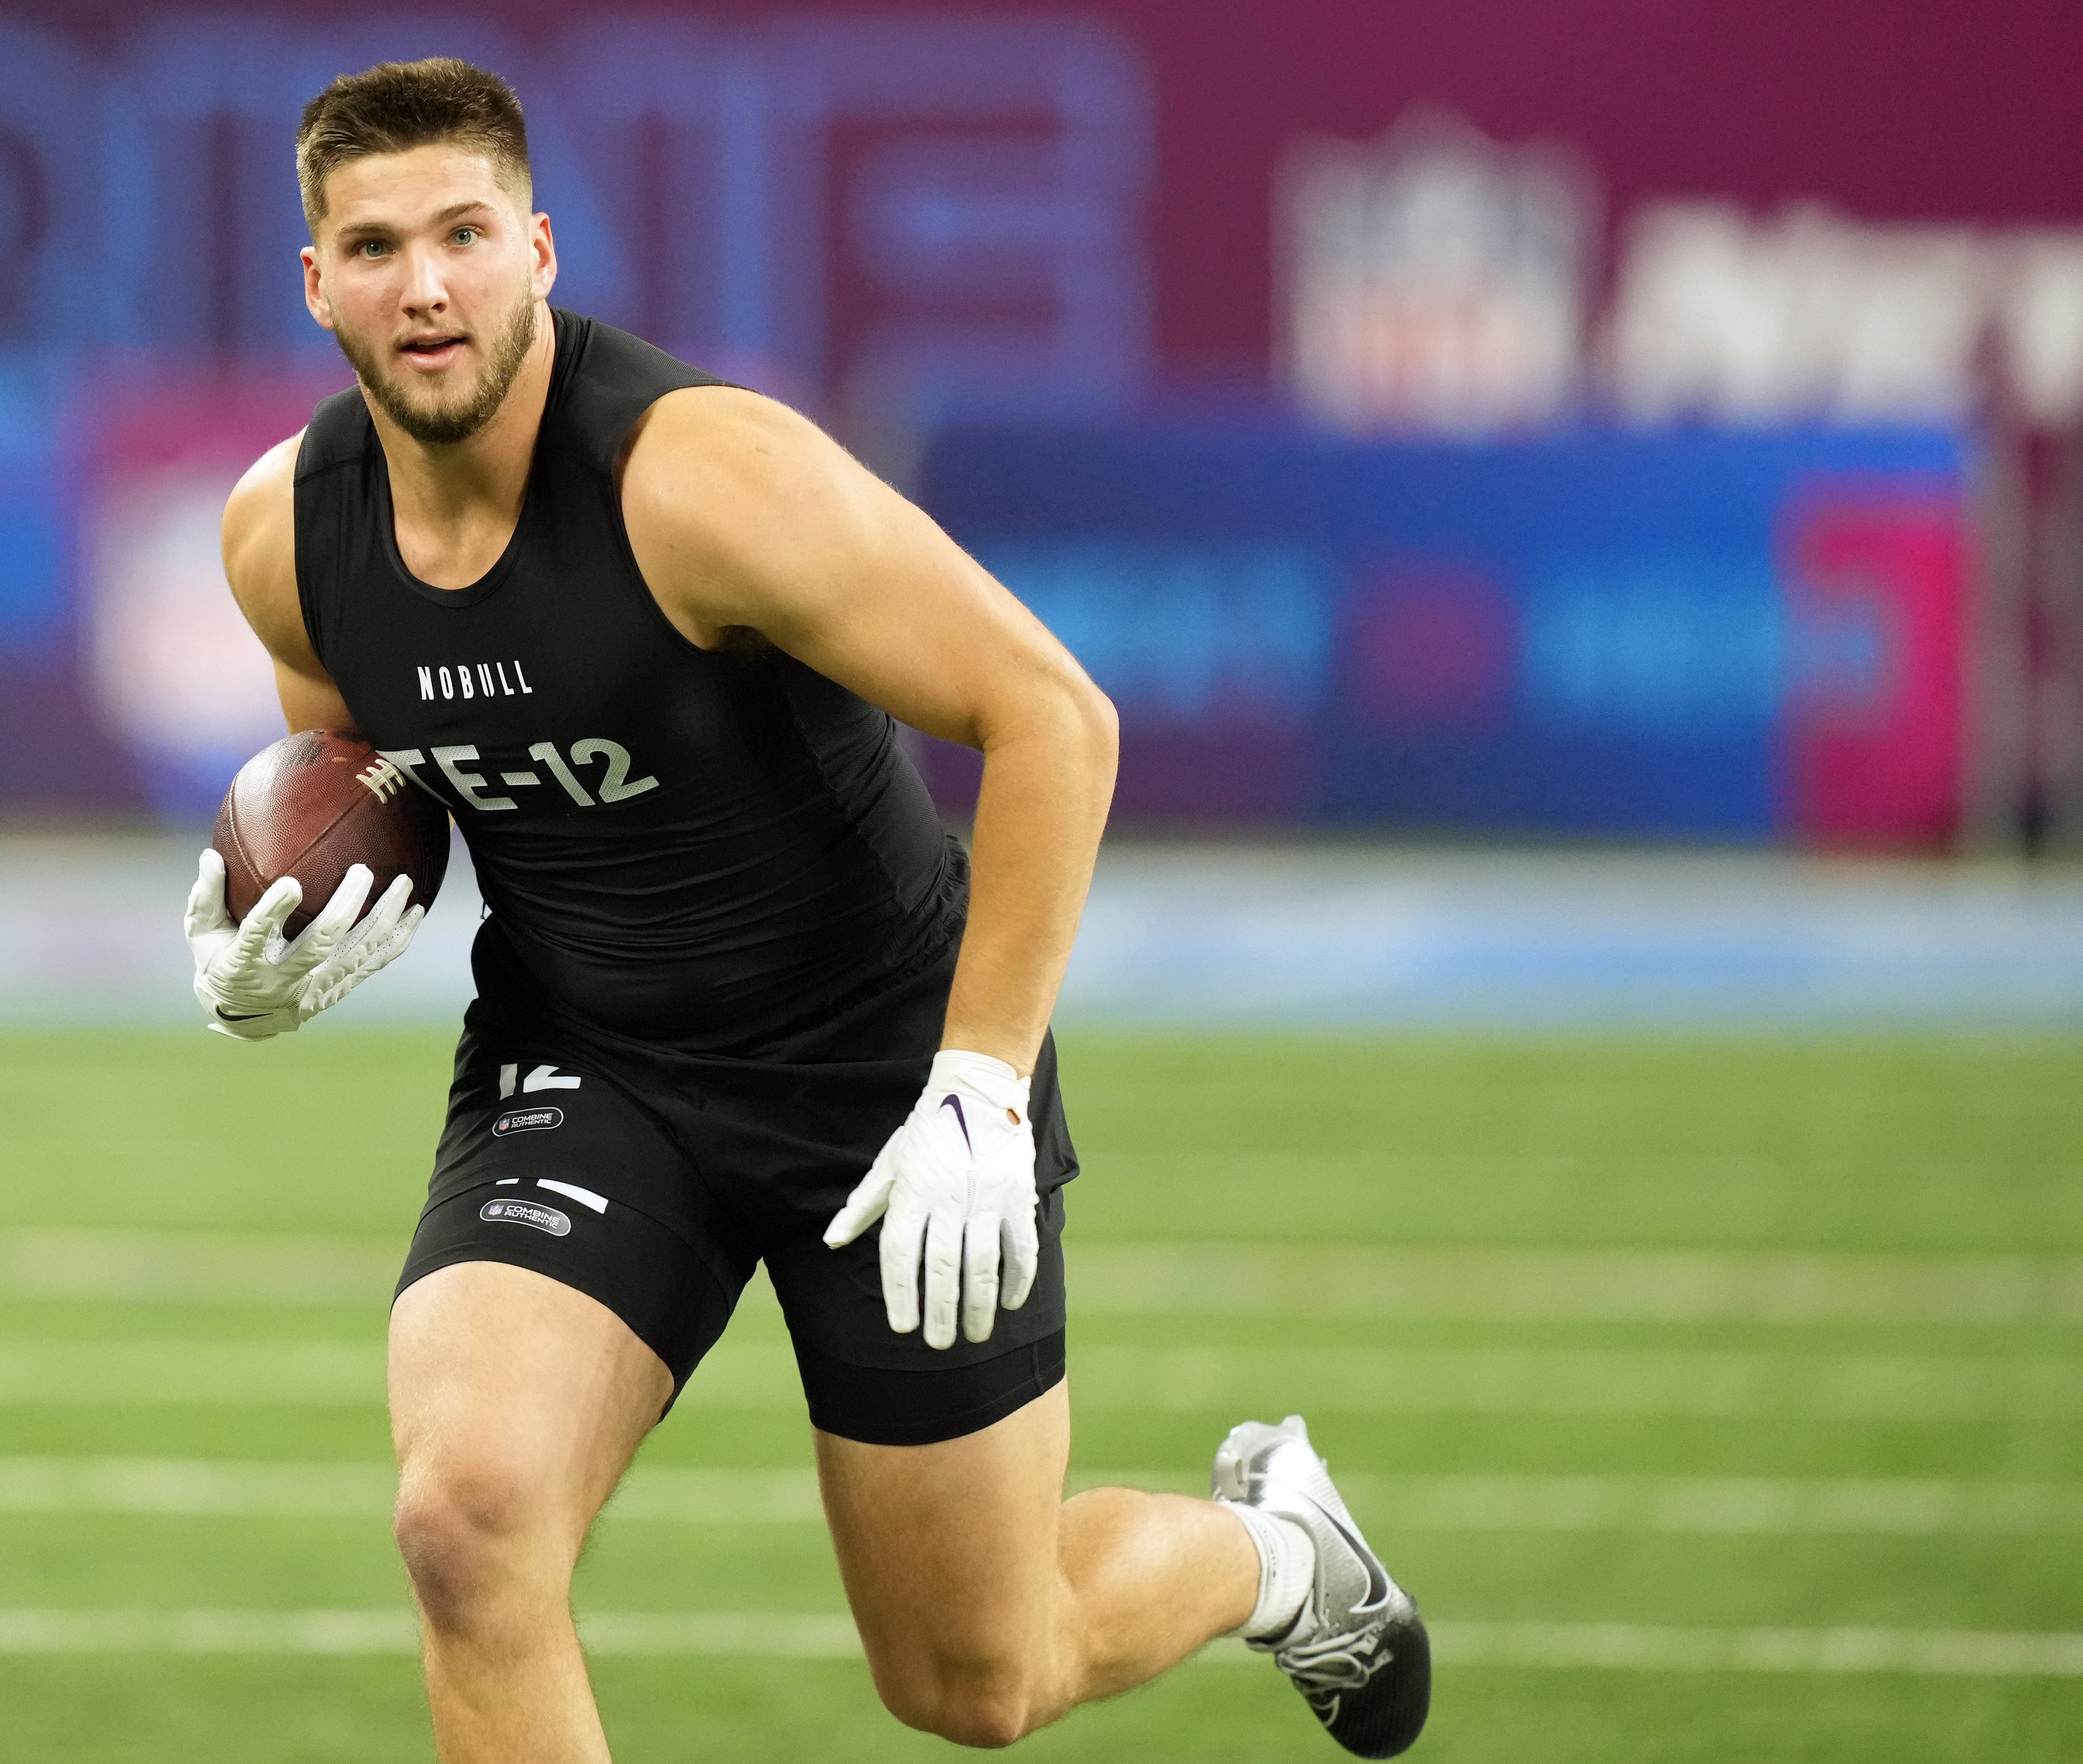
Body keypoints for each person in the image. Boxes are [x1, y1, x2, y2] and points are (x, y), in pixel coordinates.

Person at [182, 55, 1429, 1761]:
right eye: (378, 246)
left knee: (979, 1679)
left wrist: (984, 1073)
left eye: (464, 233)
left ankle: (1284, 1554)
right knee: (465, 1524)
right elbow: (379, 787)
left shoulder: (702, 480)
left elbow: (1054, 713)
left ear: (539, 249)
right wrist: (286, 946)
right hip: (592, 1058)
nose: (426, 285)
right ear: (316, 283)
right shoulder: (287, 539)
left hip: (886, 1073)